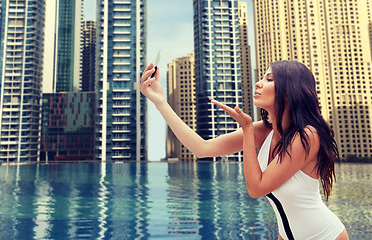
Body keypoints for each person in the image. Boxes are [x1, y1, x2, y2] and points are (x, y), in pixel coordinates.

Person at [140, 60, 349, 240]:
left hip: (325, 235)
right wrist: (160, 102)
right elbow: (201, 148)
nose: (258, 82)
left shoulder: (308, 136)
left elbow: (256, 188)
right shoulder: (263, 131)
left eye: (270, 79)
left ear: (289, 91)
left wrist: (247, 129)